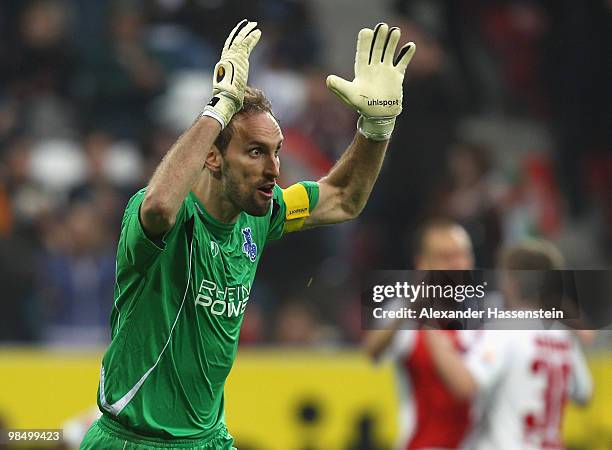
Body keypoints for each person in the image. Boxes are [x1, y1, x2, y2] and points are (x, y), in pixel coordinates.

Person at [80, 19, 416, 449]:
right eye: (256, 152)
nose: (274, 169)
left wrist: (375, 129)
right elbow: (160, 206)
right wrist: (219, 108)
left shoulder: (260, 213)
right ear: (213, 158)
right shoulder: (163, 215)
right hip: (133, 440)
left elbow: (344, 197)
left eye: (276, 152)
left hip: (208, 439)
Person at [424, 240, 592, 450]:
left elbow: (464, 384)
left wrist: (429, 328)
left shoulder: (506, 328)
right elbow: (584, 393)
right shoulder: (563, 335)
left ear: (513, 281)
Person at [364, 218, 479, 450]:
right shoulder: (405, 312)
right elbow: (371, 352)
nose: (458, 265)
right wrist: (411, 308)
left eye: (462, 255)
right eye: (446, 257)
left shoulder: (489, 311)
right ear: (423, 264)